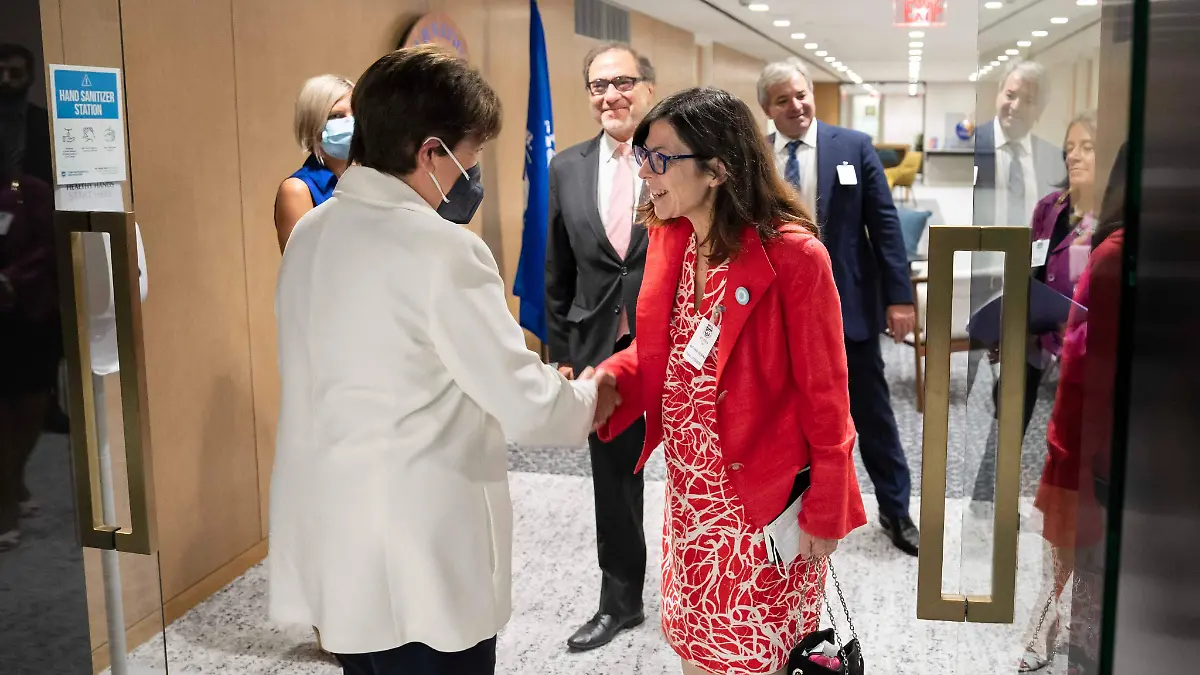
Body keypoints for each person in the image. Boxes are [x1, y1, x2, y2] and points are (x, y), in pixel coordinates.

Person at [269, 46, 607, 675]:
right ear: (431, 152)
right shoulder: (444, 251)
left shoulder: (312, 233)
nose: (469, 176)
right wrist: (590, 396)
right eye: (470, 157)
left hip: (340, 536)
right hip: (422, 551)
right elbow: (527, 408)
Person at [593, 86, 867, 675]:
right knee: (697, 650)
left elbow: (828, 393)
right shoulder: (673, 239)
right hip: (692, 498)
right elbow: (661, 350)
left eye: (661, 159)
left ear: (717, 168)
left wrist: (828, 505)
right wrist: (611, 379)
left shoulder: (793, 256)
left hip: (759, 504)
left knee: (754, 657)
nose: (646, 173)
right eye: (644, 158)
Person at [757, 59, 919, 555]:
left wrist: (899, 297)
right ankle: (788, 513)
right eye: (783, 99)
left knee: (871, 410)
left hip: (849, 307)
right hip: (776, 311)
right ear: (768, 108)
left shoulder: (852, 146)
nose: (797, 105)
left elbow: (885, 226)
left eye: (801, 94)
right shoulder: (755, 156)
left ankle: (895, 509)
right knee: (783, 416)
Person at [545, 42, 655, 651]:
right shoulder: (566, 167)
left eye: (621, 82)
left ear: (646, 89)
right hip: (598, 349)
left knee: (705, 475)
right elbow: (556, 267)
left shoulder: (681, 156)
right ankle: (621, 602)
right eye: (596, 86)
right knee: (611, 482)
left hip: (674, 344)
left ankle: (721, 590)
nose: (609, 95)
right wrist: (562, 350)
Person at [971, 111, 1098, 508]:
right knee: (1009, 405)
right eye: (1070, 147)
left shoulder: (1114, 218)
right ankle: (986, 500)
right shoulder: (1050, 207)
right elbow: (1033, 268)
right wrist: (1011, 321)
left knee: (1072, 432)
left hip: (1085, 343)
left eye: (1087, 148)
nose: (1073, 156)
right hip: (1038, 330)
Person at [0, 136, 59, 551]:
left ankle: (15, 479)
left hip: (31, 315)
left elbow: (49, 249)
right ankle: (5, 503)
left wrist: (10, 280)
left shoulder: (33, 193)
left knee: (32, 408)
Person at [973, 60, 1065, 228]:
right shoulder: (972, 146)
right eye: (1010, 95)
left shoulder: (1053, 159)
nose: (1015, 107)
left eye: (1028, 101)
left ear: (1040, 110)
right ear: (998, 95)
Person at [273, 74, 354, 251]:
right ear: (314, 124)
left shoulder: (363, 181)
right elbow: (300, 268)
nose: (351, 122)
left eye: (356, 113)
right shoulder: (297, 190)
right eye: (337, 116)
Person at [0, 43, 52, 186]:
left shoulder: (46, 122)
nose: (5, 80)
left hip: (36, 203)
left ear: (29, 78)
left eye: (15, 73)